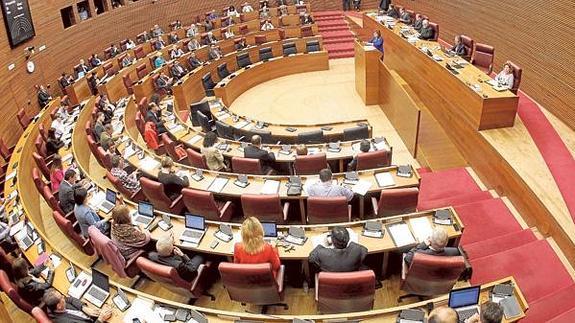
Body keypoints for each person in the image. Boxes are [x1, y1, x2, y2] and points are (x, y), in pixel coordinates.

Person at [43, 288, 113, 323]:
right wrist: (100, 319)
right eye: (61, 297)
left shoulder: (51, 305)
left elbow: (70, 299)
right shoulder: (65, 321)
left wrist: (83, 307)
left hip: (91, 315)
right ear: (59, 306)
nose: (63, 297)